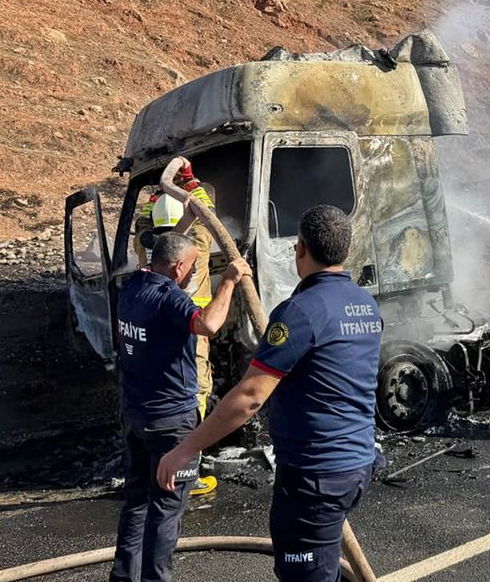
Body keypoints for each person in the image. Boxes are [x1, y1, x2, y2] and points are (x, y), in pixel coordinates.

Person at [157, 205, 381, 582]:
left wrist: (186, 449)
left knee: (305, 574)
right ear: (346, 250)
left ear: (300, 248)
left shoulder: (300, 311)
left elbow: (250, 397)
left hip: (315, 475)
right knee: (322, 566)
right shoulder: (366, 305)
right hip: (357, 464)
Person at [110, 233, 251, 582]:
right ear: (177, 268)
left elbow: (169, 245)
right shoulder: (169, 298)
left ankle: (124, 577)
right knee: (165, 508)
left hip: (135, 415)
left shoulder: (132, 286)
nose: (193, 272)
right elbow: (209, 324)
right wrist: (229, 280)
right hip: (171, 422)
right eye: (191, 265)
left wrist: (187, 219)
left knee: (137, 501)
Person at [133, 162, 219, 495]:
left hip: (155, 338)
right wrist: (190, 181)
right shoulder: (197, 242)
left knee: (159, 399)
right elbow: (205, 211)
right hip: (191, 336)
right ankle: (186, 473)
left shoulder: (147, 247)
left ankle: (154, 466)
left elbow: (143, 224)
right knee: (194, 397)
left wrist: (159, 194)